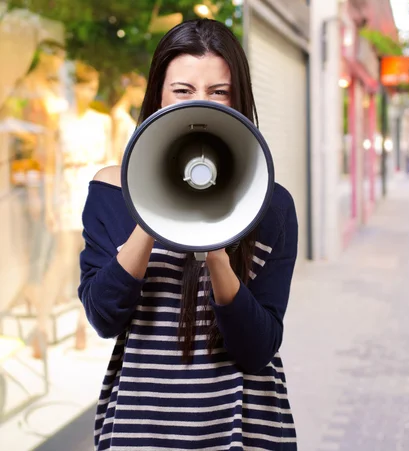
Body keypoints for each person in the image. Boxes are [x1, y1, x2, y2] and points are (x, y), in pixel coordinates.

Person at [78, 19, 298, 450]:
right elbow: (103, 318)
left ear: (240, 99)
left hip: (244, 429)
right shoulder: (110, 190)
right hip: (140, 430)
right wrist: (154, 207)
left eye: (219, 92)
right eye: (183, 91)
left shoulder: (269, 203)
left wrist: (216, 248)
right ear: (158, 95)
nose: (202, 104)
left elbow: (258, 349)